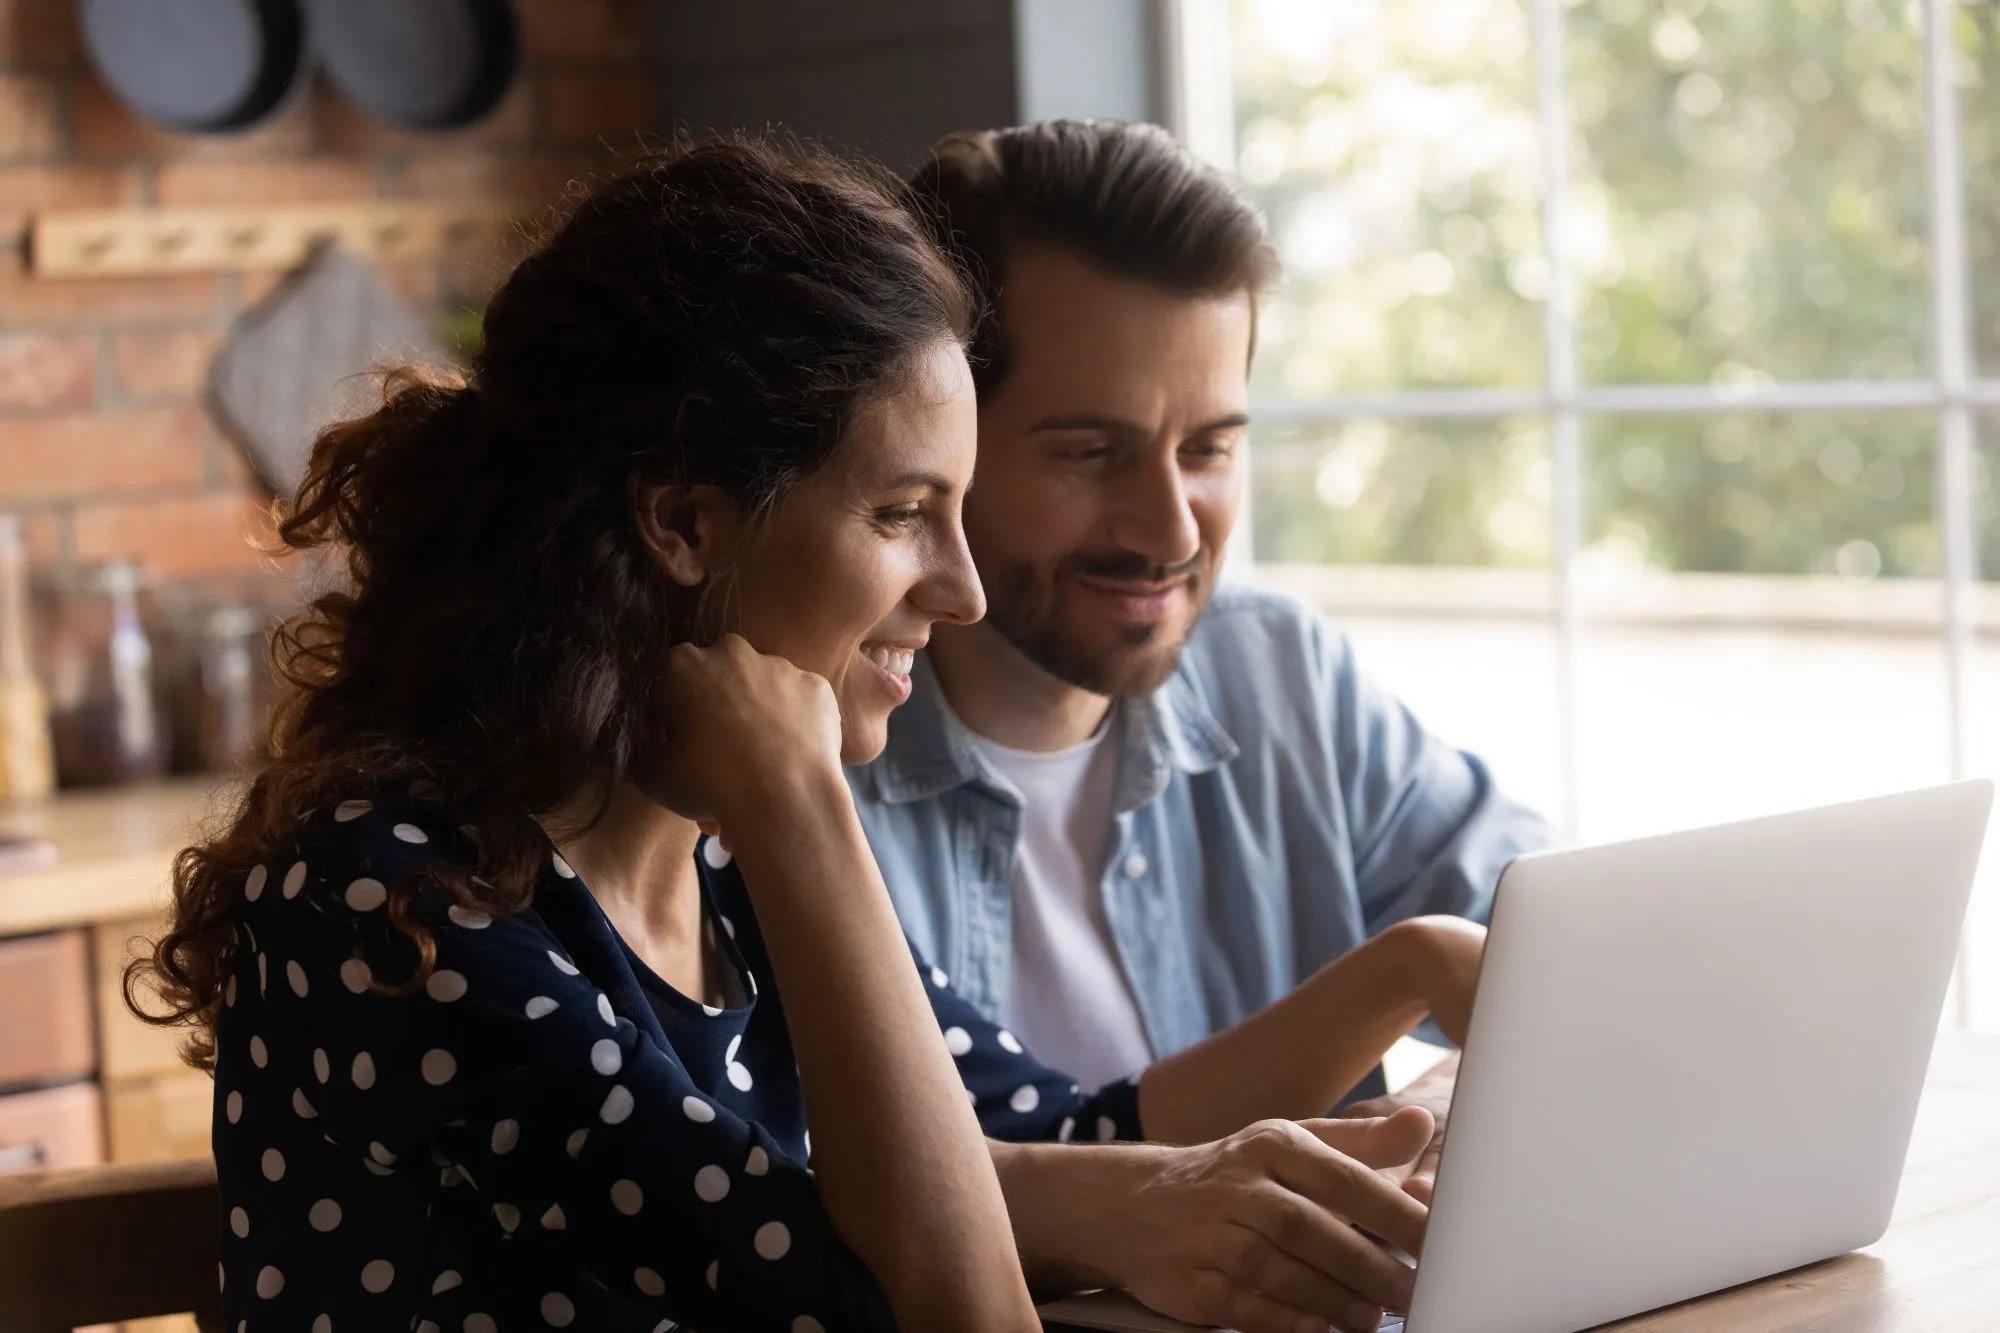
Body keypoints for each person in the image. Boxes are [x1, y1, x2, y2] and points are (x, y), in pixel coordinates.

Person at [129, 136, 1458, 1333]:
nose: (963, 587)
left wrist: (1409, 966)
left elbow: (1063, 1129)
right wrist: (798, 807)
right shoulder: (397, 903)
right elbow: (927, 1302)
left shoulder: (713, 869)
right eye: (900, 515)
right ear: (687, 523)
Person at [856, 119, 1557, 1140]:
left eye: (1209, 449)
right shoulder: (804, 764)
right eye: (1092, 453)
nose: (1171, 529)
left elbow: (1562, 954)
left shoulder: (1276, 671)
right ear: (938, 436)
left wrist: (1455, 1105)